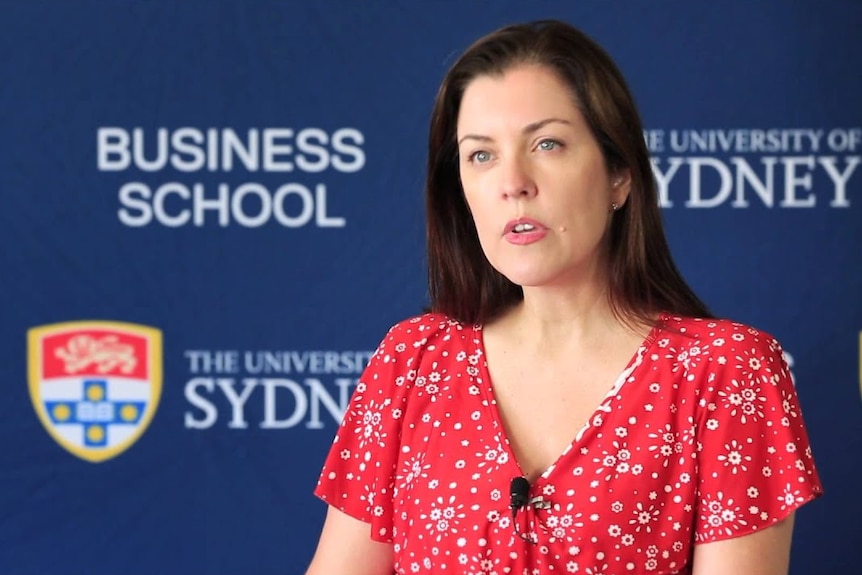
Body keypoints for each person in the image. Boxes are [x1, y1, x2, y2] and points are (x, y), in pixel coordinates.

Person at [305, 19, 823, 575]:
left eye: (547, 144)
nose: (513, 182)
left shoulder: (724, 373)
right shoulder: (412, 362)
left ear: (619, 173)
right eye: (480, 155)